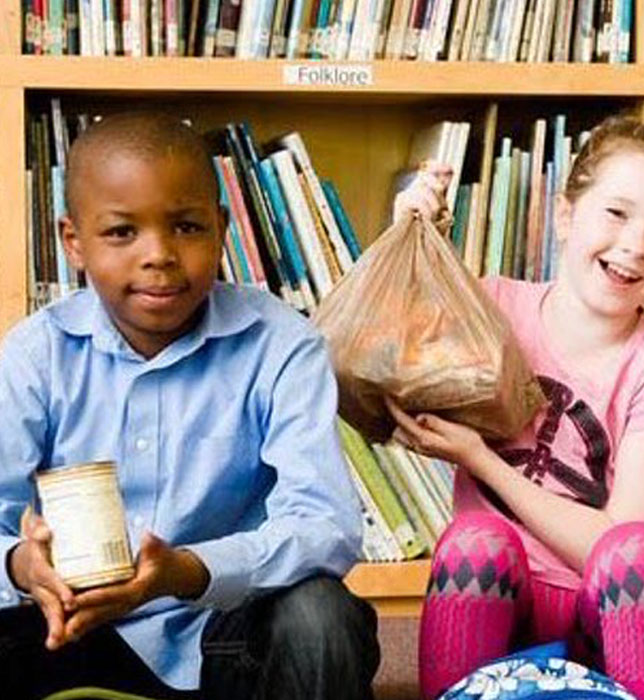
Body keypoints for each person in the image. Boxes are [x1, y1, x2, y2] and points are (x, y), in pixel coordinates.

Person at [0, 111, 379, 700]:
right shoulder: (35, 354)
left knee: (319, 616)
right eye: (122, 232)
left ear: (222, 228)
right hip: (68, 629)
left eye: (186, 227)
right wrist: (23, 565)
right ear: (72, 241)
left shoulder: (282, 345)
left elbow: (324, 525)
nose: (159, 255)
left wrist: (188, 571)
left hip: (217, 634)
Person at [389, 115, 644, 700]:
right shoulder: (494, 304)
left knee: (640, 553)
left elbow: (617, 538)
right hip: (501, 598)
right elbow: (390, 360)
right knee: (475, 542)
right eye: (617, 214)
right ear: (567, 216)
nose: (635, 246)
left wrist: (485, 463)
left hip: (605, 608)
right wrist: (415, 242)